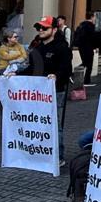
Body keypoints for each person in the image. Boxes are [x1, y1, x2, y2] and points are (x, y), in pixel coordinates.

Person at [29, 16, 74, 159]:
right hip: (38, 92)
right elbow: (32, 68)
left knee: (54, 123)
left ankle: (57, 156)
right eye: (39, 28)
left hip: (56, 91)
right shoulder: (38, 48)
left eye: (44, 28)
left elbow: (66, 69)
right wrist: (15, 74)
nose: (40, 30)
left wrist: (57, 76)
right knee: (38, 121)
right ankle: (41, 150)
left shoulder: (62, 47)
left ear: (54, 30)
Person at [73, 16, 99, 86]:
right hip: (88, 47)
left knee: (85, 62)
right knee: (89, 65)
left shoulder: (80, 26)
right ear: (92, 17)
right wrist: (96, 46)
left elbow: (76, 35)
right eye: (94, 18)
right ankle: (86, 80)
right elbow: (93, 37)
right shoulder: (91, 26)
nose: (95, 19)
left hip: (81, 47)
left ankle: (75, 74)